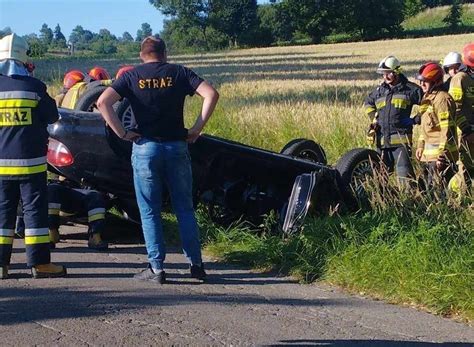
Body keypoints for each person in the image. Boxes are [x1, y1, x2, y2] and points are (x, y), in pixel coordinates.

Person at [97, 36, 219, 284]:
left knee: (149, 210)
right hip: (176, 146)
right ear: (164, 54)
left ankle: (156, 269)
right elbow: (211, 94)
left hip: (145, 148)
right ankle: (196, 265)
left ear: (142, 55)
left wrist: (122, 133)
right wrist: (196, 128)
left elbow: (102, 102)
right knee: (184, 208)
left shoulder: (131, 76)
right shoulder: (179, 73)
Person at [0, 33, 66, 279]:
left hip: (0, 166)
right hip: (31, 165)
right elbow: (53, 117)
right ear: (23, 58)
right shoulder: (35, 87)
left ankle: (1, 265)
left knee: (2, 213)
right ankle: (39, 264)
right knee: (34, 213)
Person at [364, 56, 423, 182]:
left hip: (401, 142)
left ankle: (411, 199)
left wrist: (416, 119)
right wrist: (374, 119)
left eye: (388, 73)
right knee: (381, 177)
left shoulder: (411, 90)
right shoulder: (380, 91)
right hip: (382, 142)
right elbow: (368, 103)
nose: (385, 77)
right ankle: (385, 199)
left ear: (397, 72)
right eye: (383, 74)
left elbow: (429, 105)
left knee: (405, 176)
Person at [17, 181, 109, 250]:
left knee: (95, 195)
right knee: (53, 189)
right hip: (61, 189)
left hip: (85, 191)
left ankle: (95, 237)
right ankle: (52, 234)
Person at [415, 62, 459, 188]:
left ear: (436, 82)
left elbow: (447, 130)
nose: (422, 84)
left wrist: (442, 155)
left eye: (426, 81)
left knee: (439, 191)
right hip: (428, 157)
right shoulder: (428, 98)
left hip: (440, 158)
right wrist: (420, 145)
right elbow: (426, 127)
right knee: (425, 188)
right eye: (421, 81)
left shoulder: (442, 99)